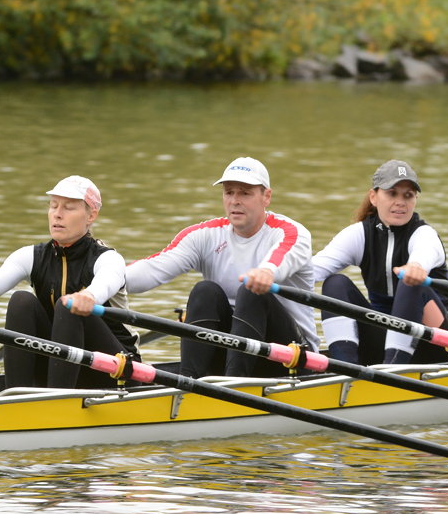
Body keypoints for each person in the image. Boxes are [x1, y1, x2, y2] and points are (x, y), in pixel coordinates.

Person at [125, 157, 318, 378]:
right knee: (204, 291)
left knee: (250, 289)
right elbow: (151, 269)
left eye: (245, 193)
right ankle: (190, 382)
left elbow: (279, 260)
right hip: (230, 351)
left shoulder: (291, 232)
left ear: (267, 197)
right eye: (229, 192)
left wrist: (266, 273)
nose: (235, 201)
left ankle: (233, 384)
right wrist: (96, 287)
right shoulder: (205, 235)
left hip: (290, 357)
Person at [0, 175, 139, 389]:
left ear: (91, 215)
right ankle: (15, 398)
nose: (57, 214)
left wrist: (88, 297)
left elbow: (104, 284)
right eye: (53, 206)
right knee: (20, 300)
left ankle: (56, 401)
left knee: (68, 305)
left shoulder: (107, 259)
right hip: (58, 366)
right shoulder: (30, 256)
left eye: (69, 208)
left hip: (114, 369)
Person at [311, 159, 448, 366]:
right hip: (384, 342)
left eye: (408, 195)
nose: (400, 202)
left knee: (410, 281)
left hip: (440, 345)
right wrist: (268, 274)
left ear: (415, 200)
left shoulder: (423, 234)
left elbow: (423, 253)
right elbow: (310, 271)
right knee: (335, 283)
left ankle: (392, 370)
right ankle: (343, 369)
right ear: (373, 197)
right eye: (392, 193)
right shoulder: (359, 235)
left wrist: (416, 268)